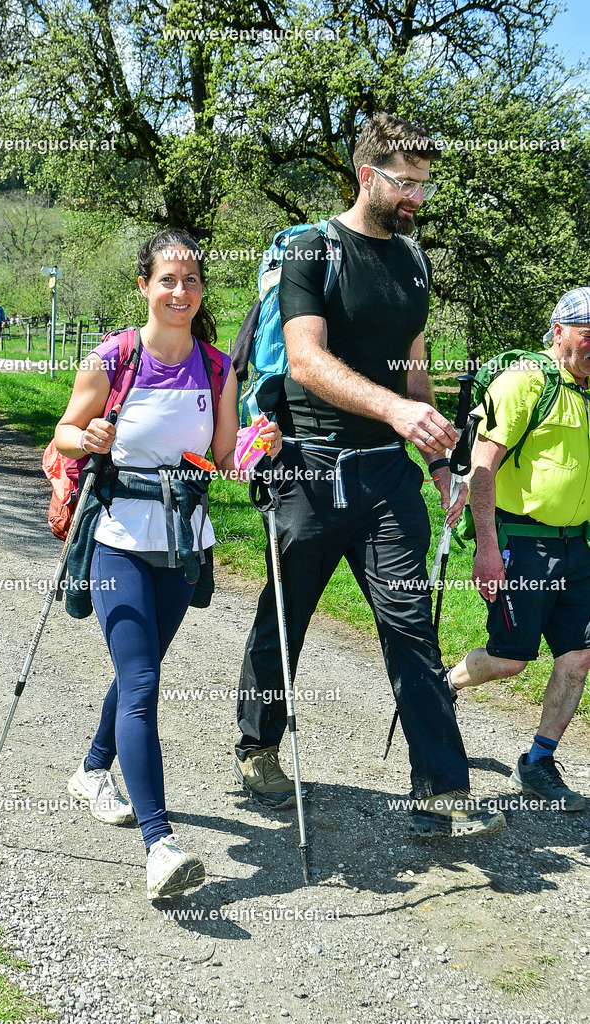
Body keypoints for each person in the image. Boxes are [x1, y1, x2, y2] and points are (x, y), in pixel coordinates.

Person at [233, 112, 505, 838]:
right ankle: (258, 744)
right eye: (405, 181)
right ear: (367, 175)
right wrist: (392, 410)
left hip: (389, 481)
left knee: (411, 626)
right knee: (286, 617)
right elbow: (305, 361)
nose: (417, 195)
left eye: (424, 182)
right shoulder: (309, 251)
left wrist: (440, 462)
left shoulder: (413, 262)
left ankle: (441, 789)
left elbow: (414, 374)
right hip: (309, 471)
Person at [54, 230, 281, 899]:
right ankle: (160, 845)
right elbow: (64, 431)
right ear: (144, 286)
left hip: (184, 544)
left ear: (200, 289)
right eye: (166, 280)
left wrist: (254, 446)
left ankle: (93, 769)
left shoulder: (216, 368)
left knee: (139, 668)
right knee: (144, 679)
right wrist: (86, 434)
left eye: (190, 281)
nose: (179, 292)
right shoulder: (112, 358)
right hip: (117, 540)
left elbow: (219, 458)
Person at [448, 288, 590, 811]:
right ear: (559, 332)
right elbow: (483, 468)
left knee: (578, 658)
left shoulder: (587, 389)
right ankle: (444, 688)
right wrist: (487, 546)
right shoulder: (524, 383)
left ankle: (537, 762)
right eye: (588, 335)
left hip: (578, 547)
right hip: (522, 543)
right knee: (511, 659)